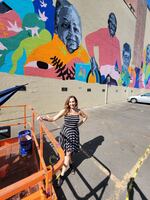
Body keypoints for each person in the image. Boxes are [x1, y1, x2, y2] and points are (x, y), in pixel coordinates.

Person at [37, 95, 88, 187]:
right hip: (65, 134)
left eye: (73, 102)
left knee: (68, 154)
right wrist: (43, 118)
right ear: (68, 103)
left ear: (76, 102)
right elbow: (53, 119)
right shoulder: (65, 111)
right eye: (70, 102)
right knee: (67, 152)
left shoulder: (79, 111)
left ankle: (62, 176)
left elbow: (85, 117)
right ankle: (71, 165)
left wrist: (78, 125)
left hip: (73, 135)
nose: (72, 103)